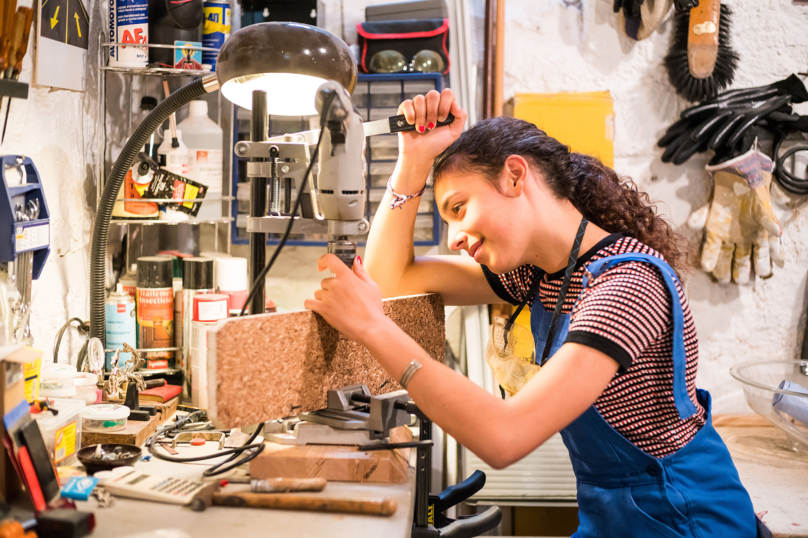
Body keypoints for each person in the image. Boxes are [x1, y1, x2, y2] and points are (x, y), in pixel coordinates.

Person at [305, 89, 763, 538]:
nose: (455, 238)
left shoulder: (627, 287)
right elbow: (391, 279)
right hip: (610, 512)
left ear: (515, 176)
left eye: (459, 208)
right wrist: (413, 162)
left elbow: (504, 438)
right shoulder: (542, 275)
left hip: (683, 515)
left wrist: (371, 327)